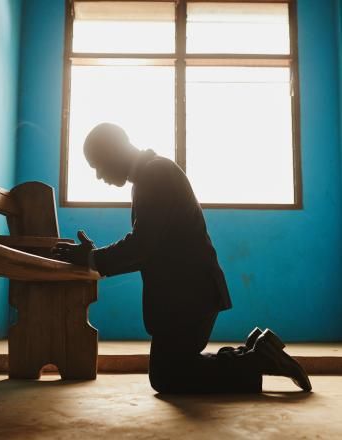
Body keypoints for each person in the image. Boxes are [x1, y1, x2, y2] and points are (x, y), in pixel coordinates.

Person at [52, 123, 311, 393]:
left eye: (98, 164)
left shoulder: (155, 174)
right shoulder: (151, 173)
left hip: (191, 297)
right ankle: (257, 353)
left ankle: (258, 357)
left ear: (114, 151)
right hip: (187, 296)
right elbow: (147, 244)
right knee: (172, 371)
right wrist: (95, 257)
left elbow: (142, 246)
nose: (98, 175)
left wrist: (93, 258)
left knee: (169, 376)